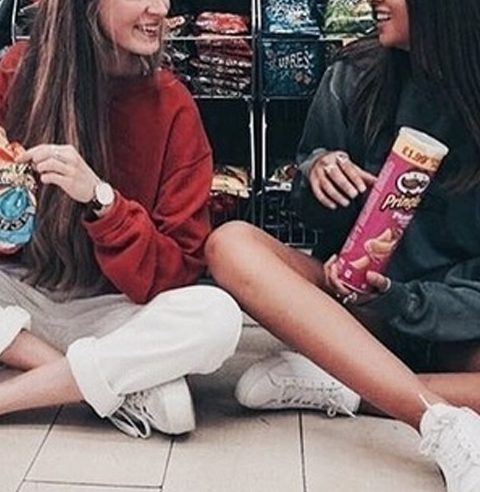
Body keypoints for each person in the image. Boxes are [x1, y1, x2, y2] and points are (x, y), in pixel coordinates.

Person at [206, 0, 480, 490]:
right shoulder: (354, 74)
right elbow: (315, 220)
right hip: (356, 308)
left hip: (457, 324)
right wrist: (317, 174)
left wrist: (405, 301)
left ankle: (342, 385)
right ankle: (438, 420)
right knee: (230, 244)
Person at [0, 0, 242, 439]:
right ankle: (110, 381)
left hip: (113, 310)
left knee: (218, 316)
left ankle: (19, 391)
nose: (161, 8)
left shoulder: (171, 105)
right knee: (167, 392)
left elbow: (176, 272)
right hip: (19, 292)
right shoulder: (16, 73)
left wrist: (102, 201)